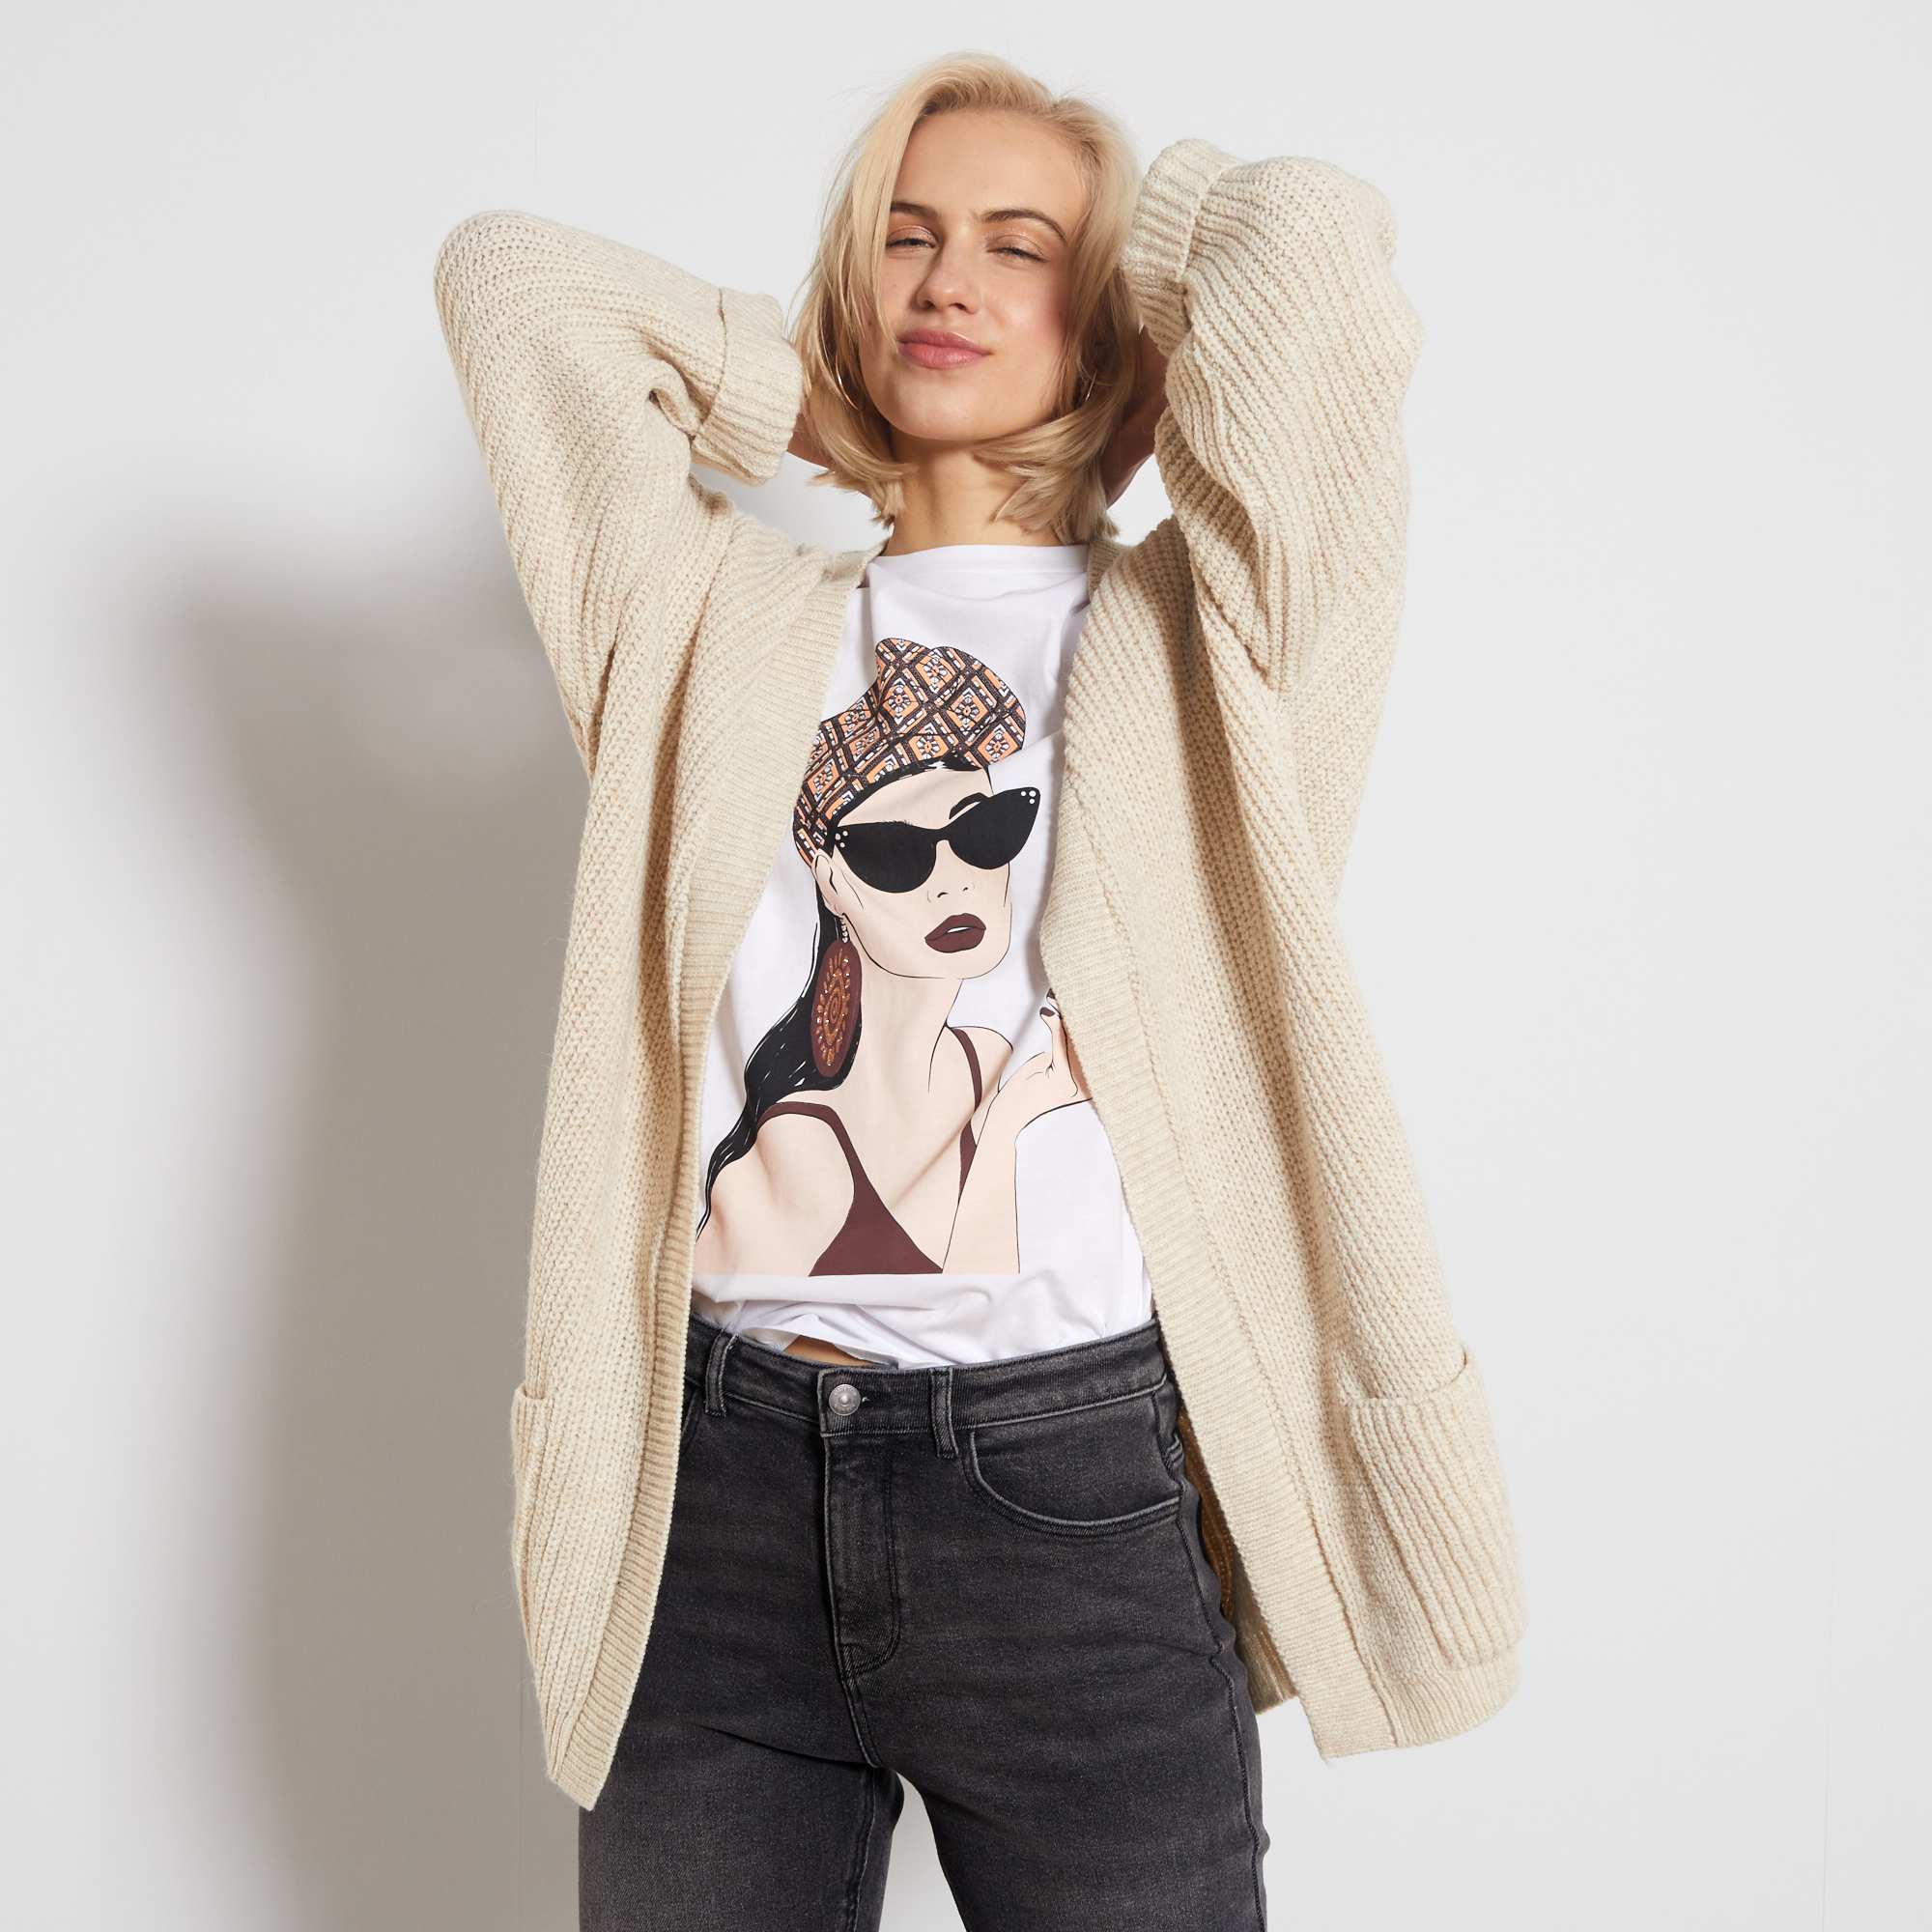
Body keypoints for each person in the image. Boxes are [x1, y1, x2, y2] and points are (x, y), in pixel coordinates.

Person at [435, 48, 1527, 1932]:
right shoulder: (701, 621)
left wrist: (1147, 283)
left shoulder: (1210, 640)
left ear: (1107, 318)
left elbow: (1316, 262)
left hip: (1067, 1496)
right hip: (713, 1505)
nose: (948, 282)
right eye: (907, 238)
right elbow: (508, 280)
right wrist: (805, 391)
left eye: (1020, 250)